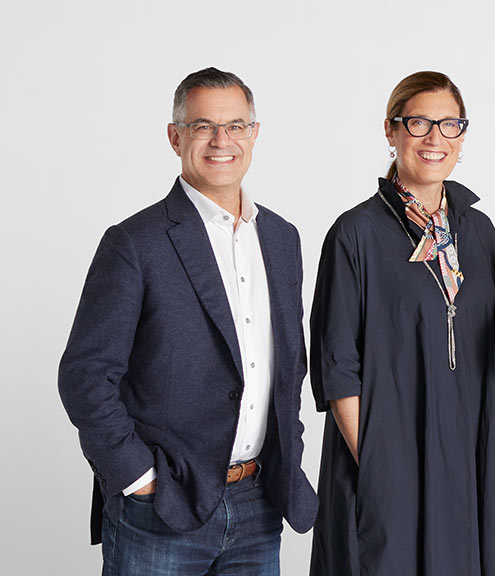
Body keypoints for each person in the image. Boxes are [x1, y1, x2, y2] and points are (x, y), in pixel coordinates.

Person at [57, 67, 318, 574]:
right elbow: (85, 375)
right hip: (163, 508)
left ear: (254, 135)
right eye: (203, 127)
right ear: (176, 138)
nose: (222, 141)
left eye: (236, 126)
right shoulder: (135, 243)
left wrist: (290, 453)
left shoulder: (282, 239)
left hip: (260, 501)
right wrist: (138, 477)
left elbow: (286, 367)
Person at [308, 71, 495, 576]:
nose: (435, 138)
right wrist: (381, 467)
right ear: (391, 130)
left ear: (463, 136)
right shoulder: (354, 234)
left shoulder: (479, 230)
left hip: (472, 450)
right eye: (419, 123)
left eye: (450, 125)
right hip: (390, 453)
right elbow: (338, 365)